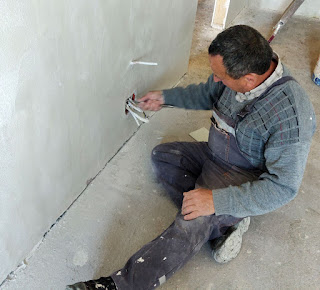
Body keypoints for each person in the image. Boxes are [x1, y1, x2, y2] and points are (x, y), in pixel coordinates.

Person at [67, 25, 316, 290]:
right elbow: (206, 93)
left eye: (220, 76)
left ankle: (119, 285)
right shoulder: (238, 69)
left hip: (245, 175)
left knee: (190, 223)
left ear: (250, 80)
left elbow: (283, 187)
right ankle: (222, 225)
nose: (216, 80)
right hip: (215, 155)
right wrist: (165, 97)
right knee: (163, 157)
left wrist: (216, 200)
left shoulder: (291, 115)